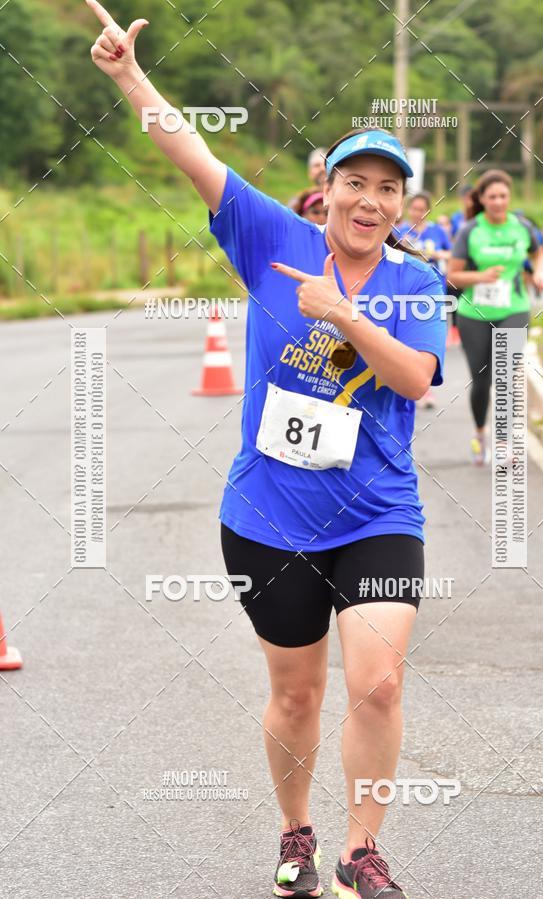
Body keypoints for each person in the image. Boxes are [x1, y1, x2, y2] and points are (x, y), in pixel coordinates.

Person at [87, 5, 446, 898]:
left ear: (403, 203)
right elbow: (191, 155)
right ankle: (296, 836)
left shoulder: (415, 281)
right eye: (355, 183)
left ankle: (365, 852)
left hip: (377, 513)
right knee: (297, 695)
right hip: (268, 515)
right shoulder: (270, 238)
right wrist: (132, 78)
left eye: (388, 188)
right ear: (326, 191)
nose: (370, 200)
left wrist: (347, 316)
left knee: (379, 684)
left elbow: (416, 381)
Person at [447, 170, 543, 465]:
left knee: (506, 376)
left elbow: (539, 252)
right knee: (481, 381)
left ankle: (504, 443)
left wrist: (540, 272)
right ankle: (481, 433)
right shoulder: (470, 231)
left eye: (503, 196)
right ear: (481, 199)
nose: (498, 201)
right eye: (492, 196)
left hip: (514, 308)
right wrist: (480, 276)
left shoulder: (522, 227)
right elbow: (452, 276)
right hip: (473, 313)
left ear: (509, 197)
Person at [394, 192, 453, 402]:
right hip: (405, 291)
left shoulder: (438, 232)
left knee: (427, 344)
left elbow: (452, 254)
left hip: (433, 291)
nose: (418, 213)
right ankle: (404, 386)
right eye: (415, 208)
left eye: (422, 209)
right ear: (409, 209)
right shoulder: (399, 231)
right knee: (406, 341)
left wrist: (436, 255)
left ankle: (426, 388)